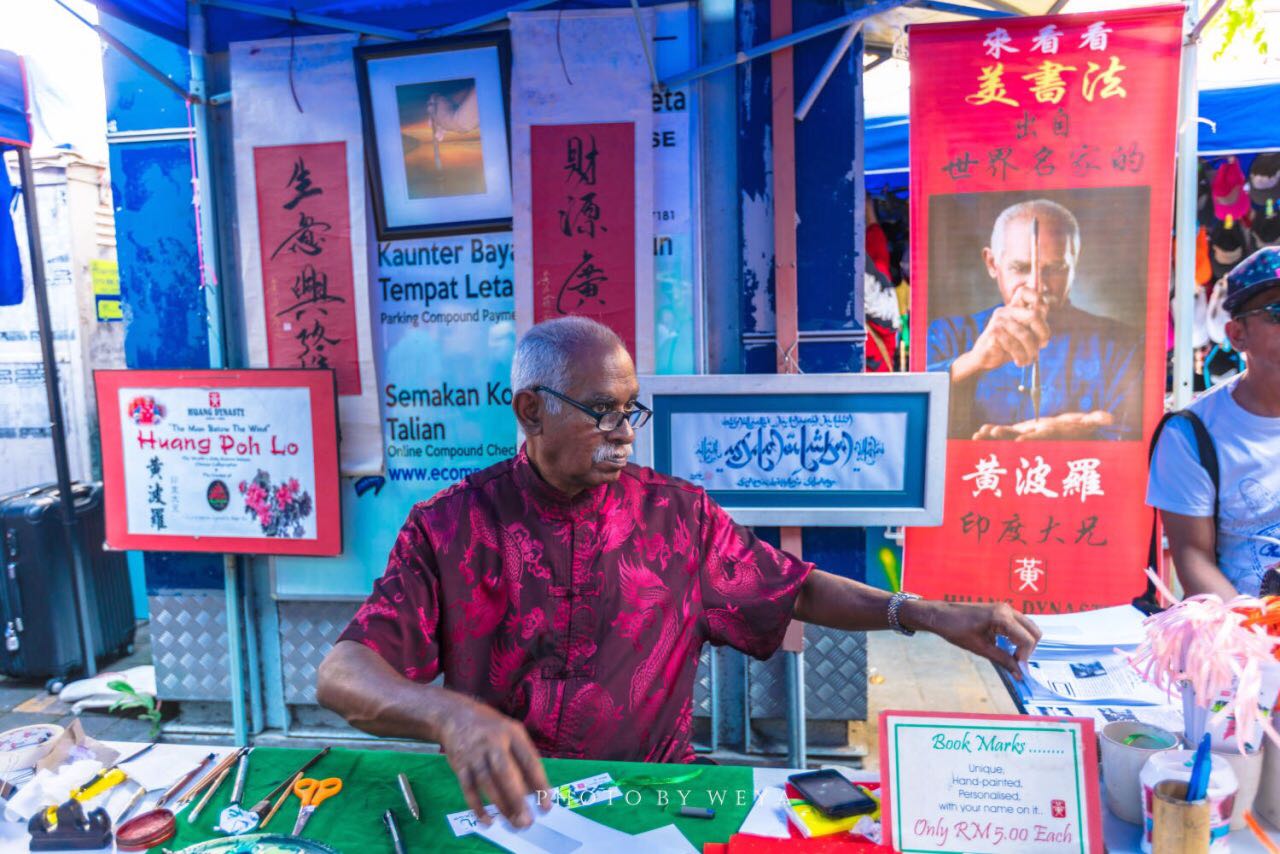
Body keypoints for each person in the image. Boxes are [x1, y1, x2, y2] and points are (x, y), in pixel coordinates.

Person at [316, 317, 1041, 829]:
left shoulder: (677, 518)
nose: (625, 432)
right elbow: (343, 674)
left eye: (631, 410)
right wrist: (449, 716)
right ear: (530, 411)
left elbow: (793, 586)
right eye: (600, 412)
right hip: (505, 810)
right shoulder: (451, 525)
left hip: (651, 804)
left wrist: (921, 612)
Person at [928, 198, 1144, 441]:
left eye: (1054, 269)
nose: (1037, 286)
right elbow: (913, 414)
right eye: (1020, 268)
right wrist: (971, 362)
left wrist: (1070, 438)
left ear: (1075, 262)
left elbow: (1134, 442)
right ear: (992, 263)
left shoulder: (1122, 345)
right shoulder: (947, 335)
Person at [1147, 246, 1280, 597]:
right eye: (1277, 312)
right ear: (1237, 335)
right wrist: (1255, 634)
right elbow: (1193, 559)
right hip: (1246, 641)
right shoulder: (1191, 435)